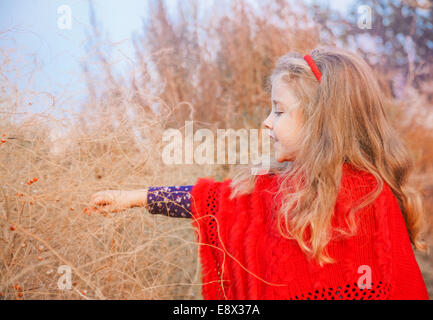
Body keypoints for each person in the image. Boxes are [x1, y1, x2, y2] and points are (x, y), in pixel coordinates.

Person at [88, 47, 430, 300]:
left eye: (279, 111)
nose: (267, 121)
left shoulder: (371, 198)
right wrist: (134, 198)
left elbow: (401, 287)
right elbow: (214, 200)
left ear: (321, 121)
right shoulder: (279, 190)